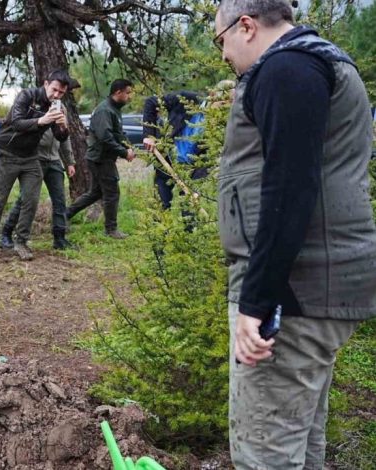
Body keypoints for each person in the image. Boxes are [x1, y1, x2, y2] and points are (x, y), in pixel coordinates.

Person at [214, 0, 376, 467]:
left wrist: (258, 300)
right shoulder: (320, 62)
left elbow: (289, 187)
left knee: (265, 453)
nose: (223, 54)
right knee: (298, 443)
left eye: (220, 40)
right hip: (317, 286)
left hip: (294, 293)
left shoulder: (288, 69)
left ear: (246, 26)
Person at [0, 70, 71, 263]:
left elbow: (60, 137)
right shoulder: (27, 95)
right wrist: (41, 120)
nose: (56, 95)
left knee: (30, 201)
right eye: (54, 90)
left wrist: (63, 125)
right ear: (46, 84)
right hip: (7, 153)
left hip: (30, 157)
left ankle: (21, 242)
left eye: (61, 93)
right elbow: (16, 123)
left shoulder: (56, 107)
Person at [66, 79, 135, 239]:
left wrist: (128, 148)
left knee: (95, 193)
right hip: (101, 158)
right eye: (127, 93)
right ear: (118, 92)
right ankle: (111, 229)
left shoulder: (114, 109)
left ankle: (64, 214)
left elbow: (117, 134)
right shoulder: (105, 110)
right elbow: (105, 137)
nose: (129, 96)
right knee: (112, 193)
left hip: (102, 158)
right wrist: (124, 153)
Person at [0, 127, 76, 250]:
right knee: (25, 199)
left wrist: (69, 162)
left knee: (60, 201)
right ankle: (6, 233)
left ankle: (59, 238)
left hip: (54, 161)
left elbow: (65, 137)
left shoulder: (61, 115)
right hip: (35, 160)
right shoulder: (36, 113)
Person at [141, 91, 204, 209]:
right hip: (166, 159)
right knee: (161, 204)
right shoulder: (186, 99)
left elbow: (207, 154)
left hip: (190, 168)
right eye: (224, 102)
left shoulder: (219, 121)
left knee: (189, 207)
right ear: (213, 96)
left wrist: (197, 184)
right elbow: (151, 102)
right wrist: (149, 136)